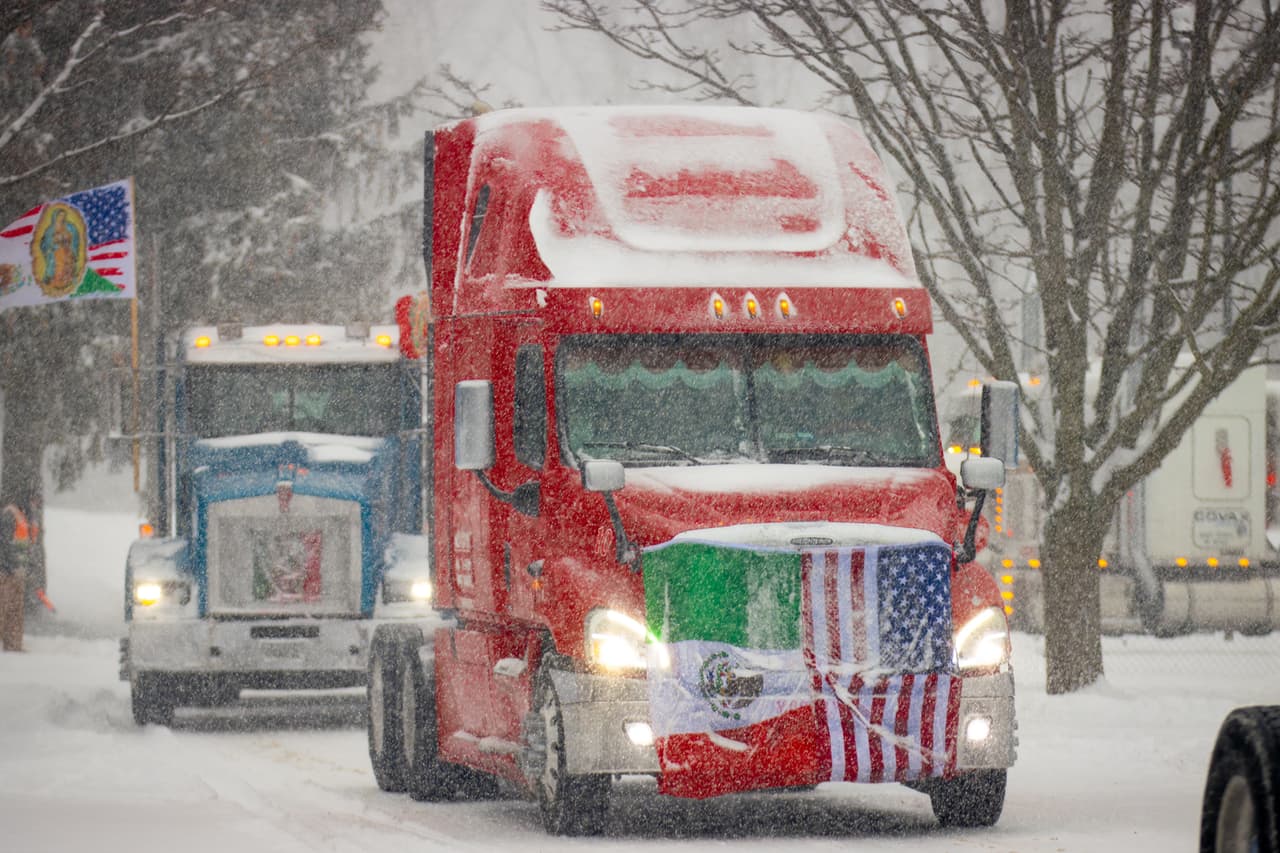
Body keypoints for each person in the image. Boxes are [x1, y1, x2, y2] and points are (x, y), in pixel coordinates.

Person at [0, 499, 34, 652]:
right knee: (4, 609)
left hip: (17, 573)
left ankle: (13, 646)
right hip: (7, 573)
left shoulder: (23, 516)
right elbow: (5, 543)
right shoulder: (10, 514)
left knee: (15, 612)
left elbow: (23, 546)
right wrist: (10, 566)